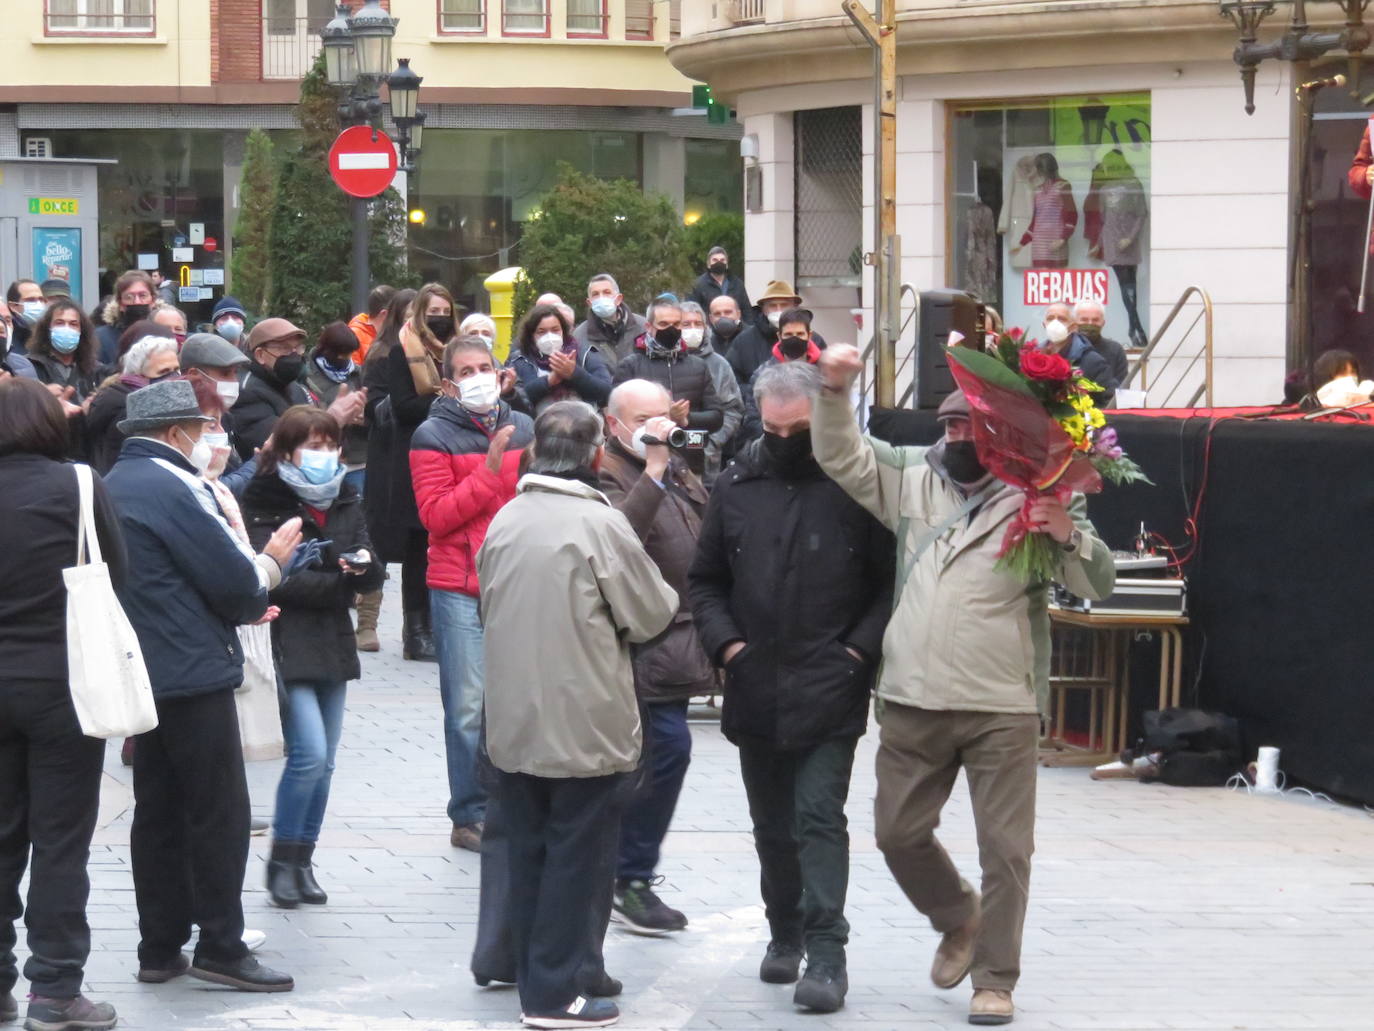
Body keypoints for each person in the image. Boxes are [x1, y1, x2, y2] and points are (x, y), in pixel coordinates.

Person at [812, 345, 1116, 1027]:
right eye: (947, 427)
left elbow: (1097, 582)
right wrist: (832, 392)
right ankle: (957, 914)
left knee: (1007, 851)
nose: (954, 439)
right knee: (895, 833)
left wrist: (1067, 534)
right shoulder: (913, 480)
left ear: (1001, 435)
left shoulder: (1044, 491)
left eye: (968, 428)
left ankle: (996, 978)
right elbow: (841, 456)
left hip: (1000, 705)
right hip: (913, 698)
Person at [688, 362, 893, 1015]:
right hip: (756, 679)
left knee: (817, 817)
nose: (784, 439)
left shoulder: (856, 486)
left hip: (832, 680)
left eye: (797, 428)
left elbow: (890, 582)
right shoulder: (736, 483)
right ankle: (785, 929)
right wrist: (730, 647)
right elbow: (706, 579)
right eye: (773, 428)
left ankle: (828, 952)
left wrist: (858, 650)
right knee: (772, 824)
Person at [478, 400, 678, 1029]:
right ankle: (556, 993)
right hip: (585, 718)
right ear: (595, 456)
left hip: (513, 717)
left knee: (530, 849)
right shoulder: (600, 524)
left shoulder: (507, 517)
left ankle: (538, 975)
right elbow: (651, 612)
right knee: (576, 856)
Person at [104, 378, 301, 993]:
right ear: (174, 433)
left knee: (157, 812)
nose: (212, 436)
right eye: (205, 426)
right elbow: (236, 584)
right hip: (190, 670)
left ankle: (158, 946)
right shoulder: (171, 487)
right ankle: (221, 942)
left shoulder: (116, 483)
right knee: (218, 811)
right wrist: (271, 561)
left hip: (145, 670)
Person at [0, 378, 124, 1031]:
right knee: (60, 840)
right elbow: (116, 573)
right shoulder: (77, 484)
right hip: (64, 683)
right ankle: (53, 988)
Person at [242, 406, 383, 908]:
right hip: (285, 639)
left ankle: (302, 860)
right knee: (309, 755)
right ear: (285, 451)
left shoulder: (345, 495)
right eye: (312, 446)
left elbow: (370, 566)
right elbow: (280, 577)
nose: (324, 456)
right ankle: (281, 860)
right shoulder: (263, 497)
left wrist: (357, 571)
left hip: (331, 641)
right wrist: (341, 578)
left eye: (330, 445)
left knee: (326, 764)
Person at [597, 380, 714, 935]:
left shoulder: (678, 467)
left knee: (661, 753)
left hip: (679, 638)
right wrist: (656, 465)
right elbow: (621, 538)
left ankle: (624, 871)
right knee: (664, 748)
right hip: (632, 641)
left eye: (664, 417)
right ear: (613, 421)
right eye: (645, 419)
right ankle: (627, 875)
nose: (657, 427)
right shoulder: (607, 472)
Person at [411, 335, 533, 851]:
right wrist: (488, 469)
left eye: (486, 367)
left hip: (517, 580)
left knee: (515, 703)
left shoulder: (524, 426)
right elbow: (435, 516)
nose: (478, 376)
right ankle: (469, 814)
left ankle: (512, 805)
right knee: (466, 707)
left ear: (502, 373)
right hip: (459, 585)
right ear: (448, 383)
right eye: (466, 370)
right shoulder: (431, 434)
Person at [611, 298, 725, 476]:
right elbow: (617, 418)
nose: (671, 329)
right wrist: (663, 418)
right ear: (649, 327)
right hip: (641, 464)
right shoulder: (630, 365)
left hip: (689, 466)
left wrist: (686, 419)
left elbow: (717, 417)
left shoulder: (698, 366)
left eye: (676, 324)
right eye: (663, 324)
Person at [86, 335, 181, 474]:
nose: (173, 378)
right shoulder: (128, 410)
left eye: (176, 370)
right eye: (164, 371)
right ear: (139, 375)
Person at [179, 332, 257, 495]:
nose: (234, 382)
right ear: (194, 375)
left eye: (236, 373)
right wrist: (259, 463)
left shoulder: (227, 417)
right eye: (225, 373)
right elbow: (209, 489)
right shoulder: (179, 419)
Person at [678, 300, 743, 482]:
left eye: (698, 324)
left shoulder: (719, 365)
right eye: (686, 324)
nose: (693, 329)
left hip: (708, 465)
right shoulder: (664, 362)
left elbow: (734, 409)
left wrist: (712, 442)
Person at [507, 303, 612, 415]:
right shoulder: (519, 359)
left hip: (585, 424)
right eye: (541, 332)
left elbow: (606, 392)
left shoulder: (584, 353)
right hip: (538, 426)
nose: (549, 336)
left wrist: (574, 373)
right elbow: (514, 400)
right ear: (531, 335)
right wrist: (548, 381)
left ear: (563, 330)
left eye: (555, 330)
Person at [737, 307, 821, 445]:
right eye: (788, 334)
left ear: (809, 335)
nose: (794, 338)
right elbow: (752, 421)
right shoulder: (762, 375)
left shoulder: (824, 373)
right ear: (779, 336)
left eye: (800, 333)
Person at [727, 281, 827, 386]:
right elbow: (733, 379)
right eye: (773, 306)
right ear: (764, 310)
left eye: (784, 305)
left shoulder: (814, 340)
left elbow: (825, 377)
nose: (779, 310)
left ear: (794, 307)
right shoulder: (744, 340)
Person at [1042, 302, 1118, 406]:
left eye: (1062, 319)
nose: (1055, 323)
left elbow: (1110, 401)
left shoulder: (1093, 361)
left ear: (1073, 327)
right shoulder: (1033, 357)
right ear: (1044, 324)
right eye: (1050, 318)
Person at [573, 274, 647, 363]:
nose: (601, 297)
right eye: (595, 294)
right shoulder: (580, 335)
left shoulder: (643, 327)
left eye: (607, 292)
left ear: (618, 299)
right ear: (589, 303)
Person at [95, 271, 156, 366]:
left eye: (142, 295)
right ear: (120, 303)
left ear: (153, 300)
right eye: (129, 297)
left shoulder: (168, 332)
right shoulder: (101, 338)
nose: (137, 302)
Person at [1071, 300, 1129, 393]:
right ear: (1074, 322)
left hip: (1107, 405)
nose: (1090, 324)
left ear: (1103, 322)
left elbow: (1122, 388)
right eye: (1084, 320)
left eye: (1095, 320)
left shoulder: (1115, 350)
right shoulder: (1065, 348)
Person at [688, 245, 752, 318]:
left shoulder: (737, 284)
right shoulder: (698, 285)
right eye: (715, 260)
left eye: (722, 260)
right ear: (708, 264)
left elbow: (747, 311)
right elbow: (692, 311)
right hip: (710, 327)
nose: (719, 263)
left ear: (727, 264)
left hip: (735, 326)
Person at [348, 284, 394, 365]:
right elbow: (352, 374)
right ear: (384, 314)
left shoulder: (392, 334)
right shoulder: (354, 336)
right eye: (397, 313)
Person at [7, 278, 49, 354]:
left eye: (41, 299)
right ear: (13, 306)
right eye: (31, 300)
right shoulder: (6, 336)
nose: (38, 304)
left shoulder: (48, 335)